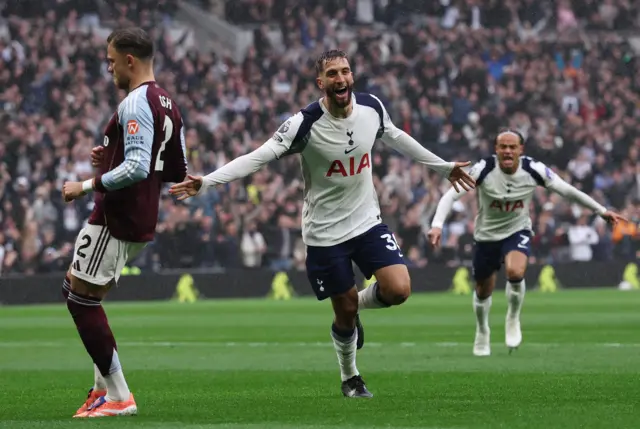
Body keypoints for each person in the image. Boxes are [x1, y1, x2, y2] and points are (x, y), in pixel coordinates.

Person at [169, 49, 475, 397]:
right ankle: (350, 377)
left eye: (345, 71)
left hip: (366, 221)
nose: (341, 79)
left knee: (398, 289)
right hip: (325, 234)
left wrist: (442, 166)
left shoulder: (371, 107)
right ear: (321, 83)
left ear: (352, 77)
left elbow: (397, 137)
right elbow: (259, 158)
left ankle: (354, 304)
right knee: (343, 317)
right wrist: (207, 181)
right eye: (332, 74)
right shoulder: (304, 123)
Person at [61, 27, 187, 417]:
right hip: (142, 213)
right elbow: (173, 167)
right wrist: (111, 156)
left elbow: (136, 166)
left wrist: (85, 184)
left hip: (118, 214)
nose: (109, 68)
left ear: (129, 61)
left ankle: (118, 395)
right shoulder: (168, 102)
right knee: (82, 292)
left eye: (112, 61)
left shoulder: (135, 102)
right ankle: (101, 391)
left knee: (79, 298)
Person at [427, 130, 626, 357]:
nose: (508, 151)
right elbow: (450, 195)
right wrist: (437, 224)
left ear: (521, 149)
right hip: (486, 237)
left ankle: (513, 316)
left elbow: (568, 191)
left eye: (513, 147)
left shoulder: (534, 170)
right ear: (496, 150)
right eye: (503, 147)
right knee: (483, 291)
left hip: (517, 231)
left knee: (515, 271)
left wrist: (600, 211)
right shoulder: (483, 169)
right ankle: (482, 330)